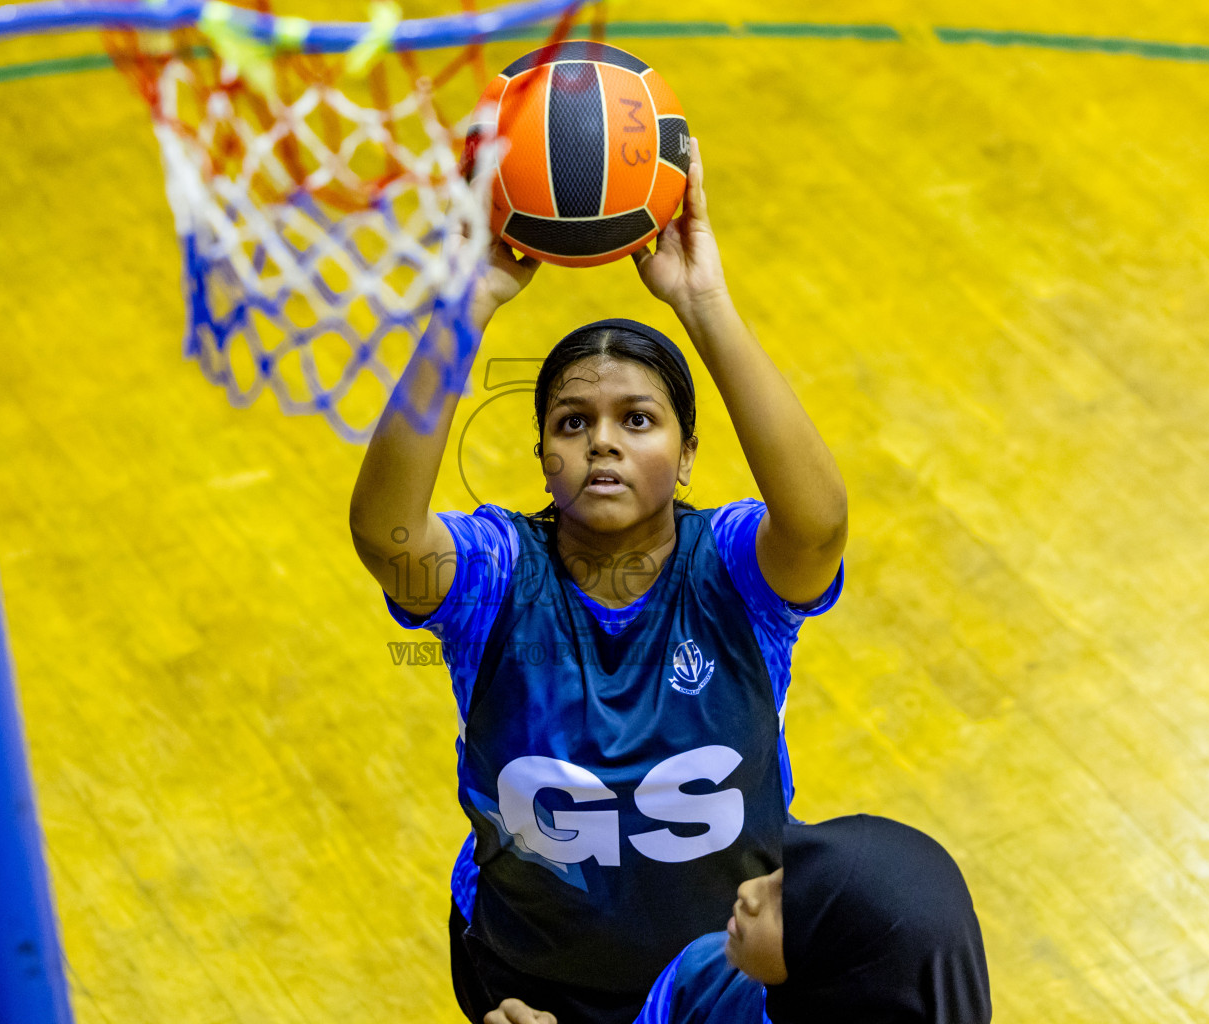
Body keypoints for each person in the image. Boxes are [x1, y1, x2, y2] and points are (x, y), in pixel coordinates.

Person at [348, 139, 848, 1024]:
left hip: (723, 986)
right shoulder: (497, 573)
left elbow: (817, 528)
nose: (603, 441)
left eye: (639, 420)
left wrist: (704, 301)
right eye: (573, 422)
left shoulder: (732, 566)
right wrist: (466, 305)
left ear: (688, 455)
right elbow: (387, 535)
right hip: (532, 988)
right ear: (543, 458)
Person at [484, 816, 993, 1024]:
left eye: (784, 905)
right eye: (776, 875)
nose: (748, 891)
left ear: (840, 973)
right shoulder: (706, 972)